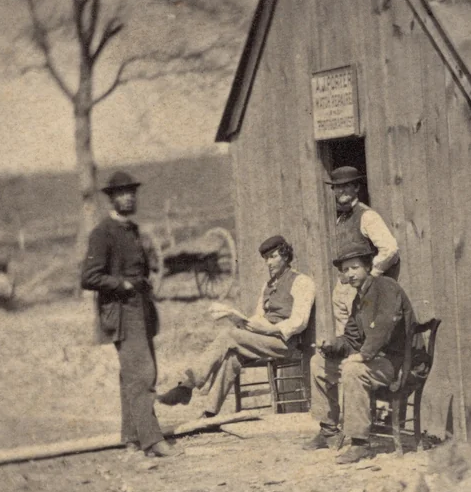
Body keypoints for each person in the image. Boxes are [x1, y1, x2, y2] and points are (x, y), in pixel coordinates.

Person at [159, 235, 315, 417]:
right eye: (266, 258)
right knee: (232, 356)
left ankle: (188, 384)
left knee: (229, 336)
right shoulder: (268, 285)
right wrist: (244, 322)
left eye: (273, 257)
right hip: (264, 340)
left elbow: (300, 321)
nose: (268, 263)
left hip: (286, 343)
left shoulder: (301, 281)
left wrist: (272, 329)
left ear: (286, 256)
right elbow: (260, 316)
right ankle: (209, 411)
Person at [81, 170, 175, 459]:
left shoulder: (132, 230)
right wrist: (120, 283)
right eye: (122, 193)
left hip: (141, 308)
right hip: (121, 311)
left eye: (132, 192)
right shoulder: (102, 233)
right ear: (111, 199)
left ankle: (132, 438)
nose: (128, 197)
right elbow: (89, 277)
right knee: (143, 374)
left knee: (132, 376)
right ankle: (153, 441)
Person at [308, 242, 415, 464]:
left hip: (394, 363)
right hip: (374, 361)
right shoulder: (360, 298)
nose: (350, 274)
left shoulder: (386, 286)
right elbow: (351, 338)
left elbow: (385, 325)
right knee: (318, 363)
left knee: (353, 369)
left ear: (368, 266)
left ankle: (359, 443)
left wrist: (364, 355)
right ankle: (329, 430)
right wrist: (331, 345)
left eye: (354, 267)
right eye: (345, 270)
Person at [326, 166, 400, 337]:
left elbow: (390, 249)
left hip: (362, 289)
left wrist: (372, 276)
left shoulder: (367, 216)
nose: (341, 190)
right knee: (344, 339)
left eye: (346, 186)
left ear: (357, 188)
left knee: (362, 335)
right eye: (337, 187)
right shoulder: (341, 219)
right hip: (344, 288)